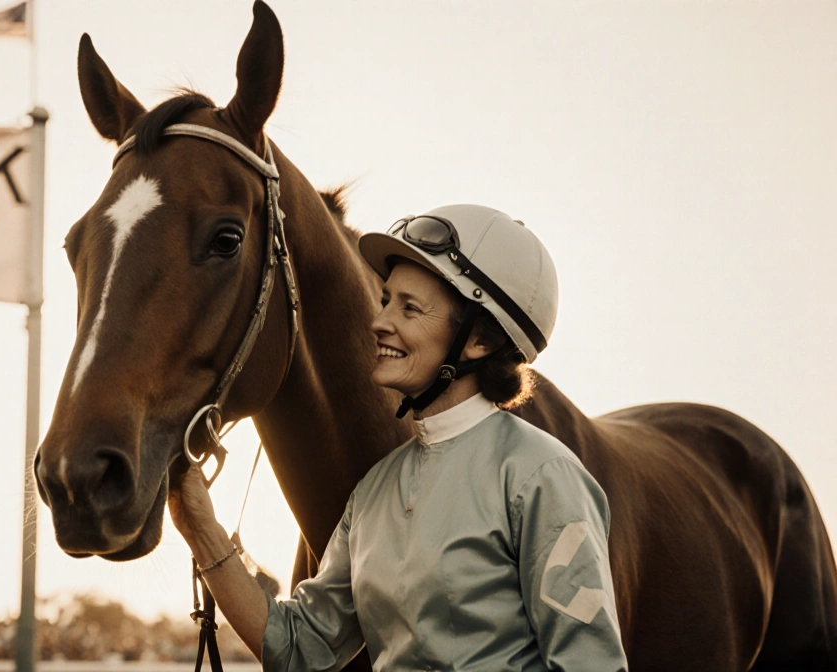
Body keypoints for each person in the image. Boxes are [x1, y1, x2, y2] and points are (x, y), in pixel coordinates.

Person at [168, 204, 629, 671]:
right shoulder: (372, 492)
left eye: (409, 308)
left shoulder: (543, 475)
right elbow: (300, 649)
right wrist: (200, 528)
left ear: (480, 341)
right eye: (386, 299)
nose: (379, 321)